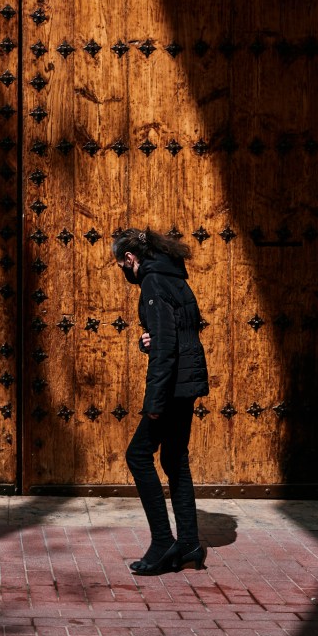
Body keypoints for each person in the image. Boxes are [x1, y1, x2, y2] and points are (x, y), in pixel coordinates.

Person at [111, 227, 210, 575]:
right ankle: (189, 543)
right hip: (187, 381)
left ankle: (162, 541)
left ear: (129, 258)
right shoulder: (174, 277)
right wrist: (146, 340)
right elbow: (181, 328)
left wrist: (154, 402)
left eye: (120, 264)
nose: (123, 272)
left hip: (171, 385)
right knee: (174, 458)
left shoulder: (152, 283)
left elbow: (166, 348)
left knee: (138, 456)